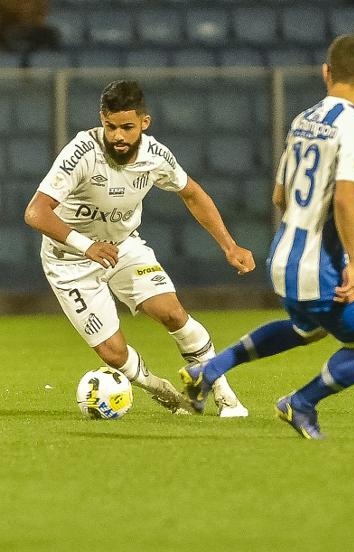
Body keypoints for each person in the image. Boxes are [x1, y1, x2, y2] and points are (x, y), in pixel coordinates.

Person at [180, 34, 354, 439]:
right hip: (323, 265)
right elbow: (346, 200)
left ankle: (210, 368)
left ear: (325, 72)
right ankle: (300, 403)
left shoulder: (303, 119)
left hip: (282, 256)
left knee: (307, 330)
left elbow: (279, 195)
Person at [25, 80, 255, 417]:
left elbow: (192, 193)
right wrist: (86, 245)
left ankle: (223, 394)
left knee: (173, 313)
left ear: (144, 123)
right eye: (111, 126)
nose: (118, 136)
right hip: (70, 260)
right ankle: (158, 388)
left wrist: (229, 245)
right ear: (101, 119)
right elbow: (36, 212)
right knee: (112, 353)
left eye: (127, 127)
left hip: (123, 247)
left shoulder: (156, 156)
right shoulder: (81, 153)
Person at [0, 0, 59, 66]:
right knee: (11, 35)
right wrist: (19, 13)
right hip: (10, 29)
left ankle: (49, 65)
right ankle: (17, 64)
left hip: (33, 26)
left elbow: (44, 7)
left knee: (52, 34)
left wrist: (34, 18)